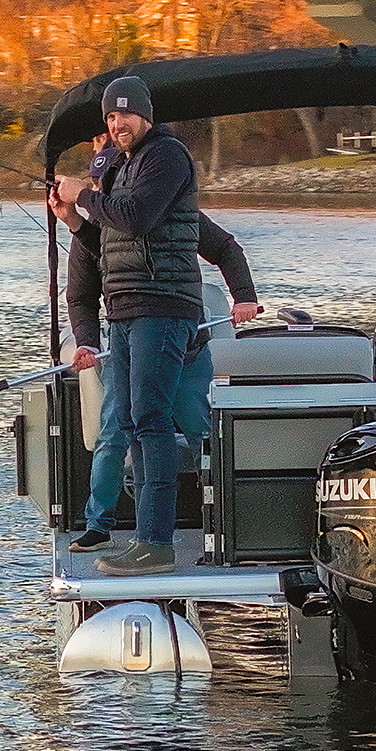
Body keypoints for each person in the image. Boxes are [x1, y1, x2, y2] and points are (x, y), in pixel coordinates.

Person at [49, 190, 261, 556]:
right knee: (113, 435)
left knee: (201, 433)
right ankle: (98, 525)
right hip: (128, 350)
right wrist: (85, 341)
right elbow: (80, 297)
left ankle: (230, 517)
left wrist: (243, 295)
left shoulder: (173, 210)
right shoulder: (91, 232)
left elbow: (227, 248)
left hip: (188, 349)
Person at [52, 75, 204, 576]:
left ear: (146, 115)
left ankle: (156, 543)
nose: (117, 125)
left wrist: (83, 194)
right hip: (128, 310)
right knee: (136, 423)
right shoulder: (124, 166)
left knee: (151, 421)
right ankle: (145, 539)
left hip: (161, 307)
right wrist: (75, 220)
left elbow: (135, 217)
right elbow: (113, 245)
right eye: (110, 117)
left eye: (125, 115)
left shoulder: (166, 156)